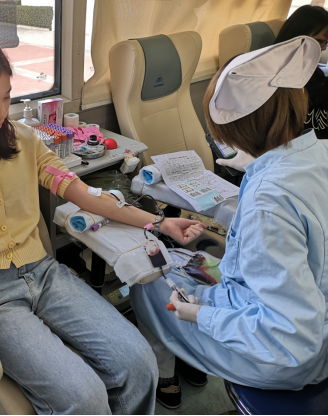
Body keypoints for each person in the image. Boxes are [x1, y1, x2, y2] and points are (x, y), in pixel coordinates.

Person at [0, 33, 206, 415]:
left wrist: (159, 223)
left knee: (139, 362)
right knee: (83, 396)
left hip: (43, 272)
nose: (1, 113)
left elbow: (86, 196)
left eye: (6, 97)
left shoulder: (22, 141)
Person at [131, 36, 328, 410]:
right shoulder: (317, 154)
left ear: (236, 129)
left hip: (282, 358)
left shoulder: (269, 202)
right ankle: (189, 359)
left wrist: (201, 316)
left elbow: (290, 337)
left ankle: (168, 370)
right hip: (313, 324)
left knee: (148, 281)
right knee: (190, 266)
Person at [275, 5, 328, 139]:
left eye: (326, 43)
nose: (322, 48)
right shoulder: (280, 77)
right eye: (318, 42)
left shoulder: (309, 68)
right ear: (296, 35)